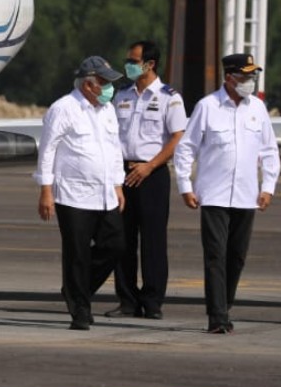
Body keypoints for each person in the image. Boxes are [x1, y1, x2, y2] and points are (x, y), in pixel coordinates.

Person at [173, 53, 280, 334]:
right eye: (245, 77)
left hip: (246, 195)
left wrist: (268, 187)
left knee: (237, 256)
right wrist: (185, 185)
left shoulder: (258, 108)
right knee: (215, 255)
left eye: (252, 76)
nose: (250, 82)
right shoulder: (207, 107)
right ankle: (217, 316)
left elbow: (270, 151)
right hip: (214, 195)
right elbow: (186, 148)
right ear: (229, 78)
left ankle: (225, 303)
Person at [35, 56, 126, 331]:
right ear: (89, 85)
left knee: (115, 246)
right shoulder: (64, 109)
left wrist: (118, 184)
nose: (110, 87)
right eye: (105, 82)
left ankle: (77, 289)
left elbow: (114, 149)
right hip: (72, 194)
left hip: (105, 193)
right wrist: (45, 190)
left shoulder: (107, 109)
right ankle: (80, 311)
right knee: (77, 254)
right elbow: (47, 149)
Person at [106, 41, 188, 320]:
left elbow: (177, 137)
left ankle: (152, 302)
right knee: (122, 240)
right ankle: (127, 300)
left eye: (133, 60)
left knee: (153, 241)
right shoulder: (122, 95)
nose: (128, 64)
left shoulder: (169, 97)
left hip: (152, 175)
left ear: (150, 64)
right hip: (123, 173)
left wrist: (150, 166)